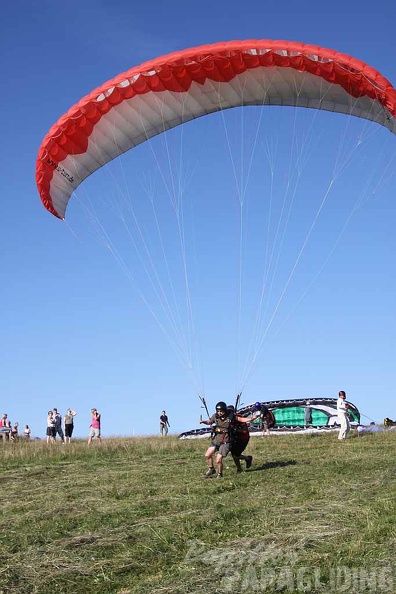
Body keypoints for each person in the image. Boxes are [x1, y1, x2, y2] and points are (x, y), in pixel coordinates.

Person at [199, 401, 260, 478]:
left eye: (221, 411)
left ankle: (220, 474)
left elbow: (242, 419)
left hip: (225, 441)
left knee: (218, 459)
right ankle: (211, 469)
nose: (219, 413)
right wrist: (203, 422)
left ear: (225, 410)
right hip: (217, 439)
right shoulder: (215, 416)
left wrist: (251, 419)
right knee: (207, 455)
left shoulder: (231, 417)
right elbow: (209, 422)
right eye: (218, 411)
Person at [227, 405, 253, 473]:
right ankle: (239, 469)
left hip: (243, 439)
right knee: (234, 454)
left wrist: (236, 429)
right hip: (234, 438)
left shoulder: (239, 418)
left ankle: (247, 458)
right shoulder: (228, 419)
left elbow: (244, 431)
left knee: (236, 455)